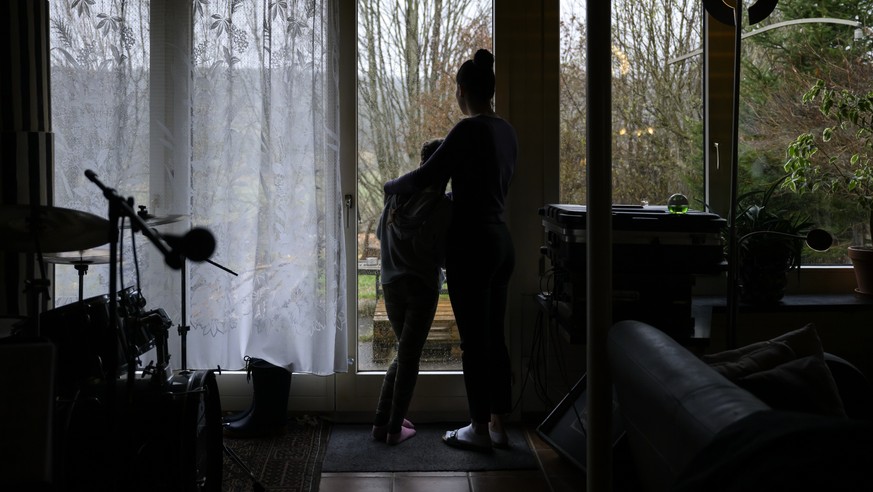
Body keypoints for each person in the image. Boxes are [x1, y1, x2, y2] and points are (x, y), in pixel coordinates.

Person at [383, 48, 517, 452]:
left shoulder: (468, 129)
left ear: (462, 91)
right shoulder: (506, 130)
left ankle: (477, 427)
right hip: (500, 241)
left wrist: (391, 188)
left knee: (474, 341)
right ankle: (498, 423)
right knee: (495, 336)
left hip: (471, 246)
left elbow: (427, 175)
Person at [372, 138, 452, 445]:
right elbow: (443, 255)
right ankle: (394, 429)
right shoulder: (443, 206)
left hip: (391, 284)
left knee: (403, 353)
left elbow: (381, 233)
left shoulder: (395, 197)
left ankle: (383, 421)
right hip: (421, 285)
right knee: (409, 356)